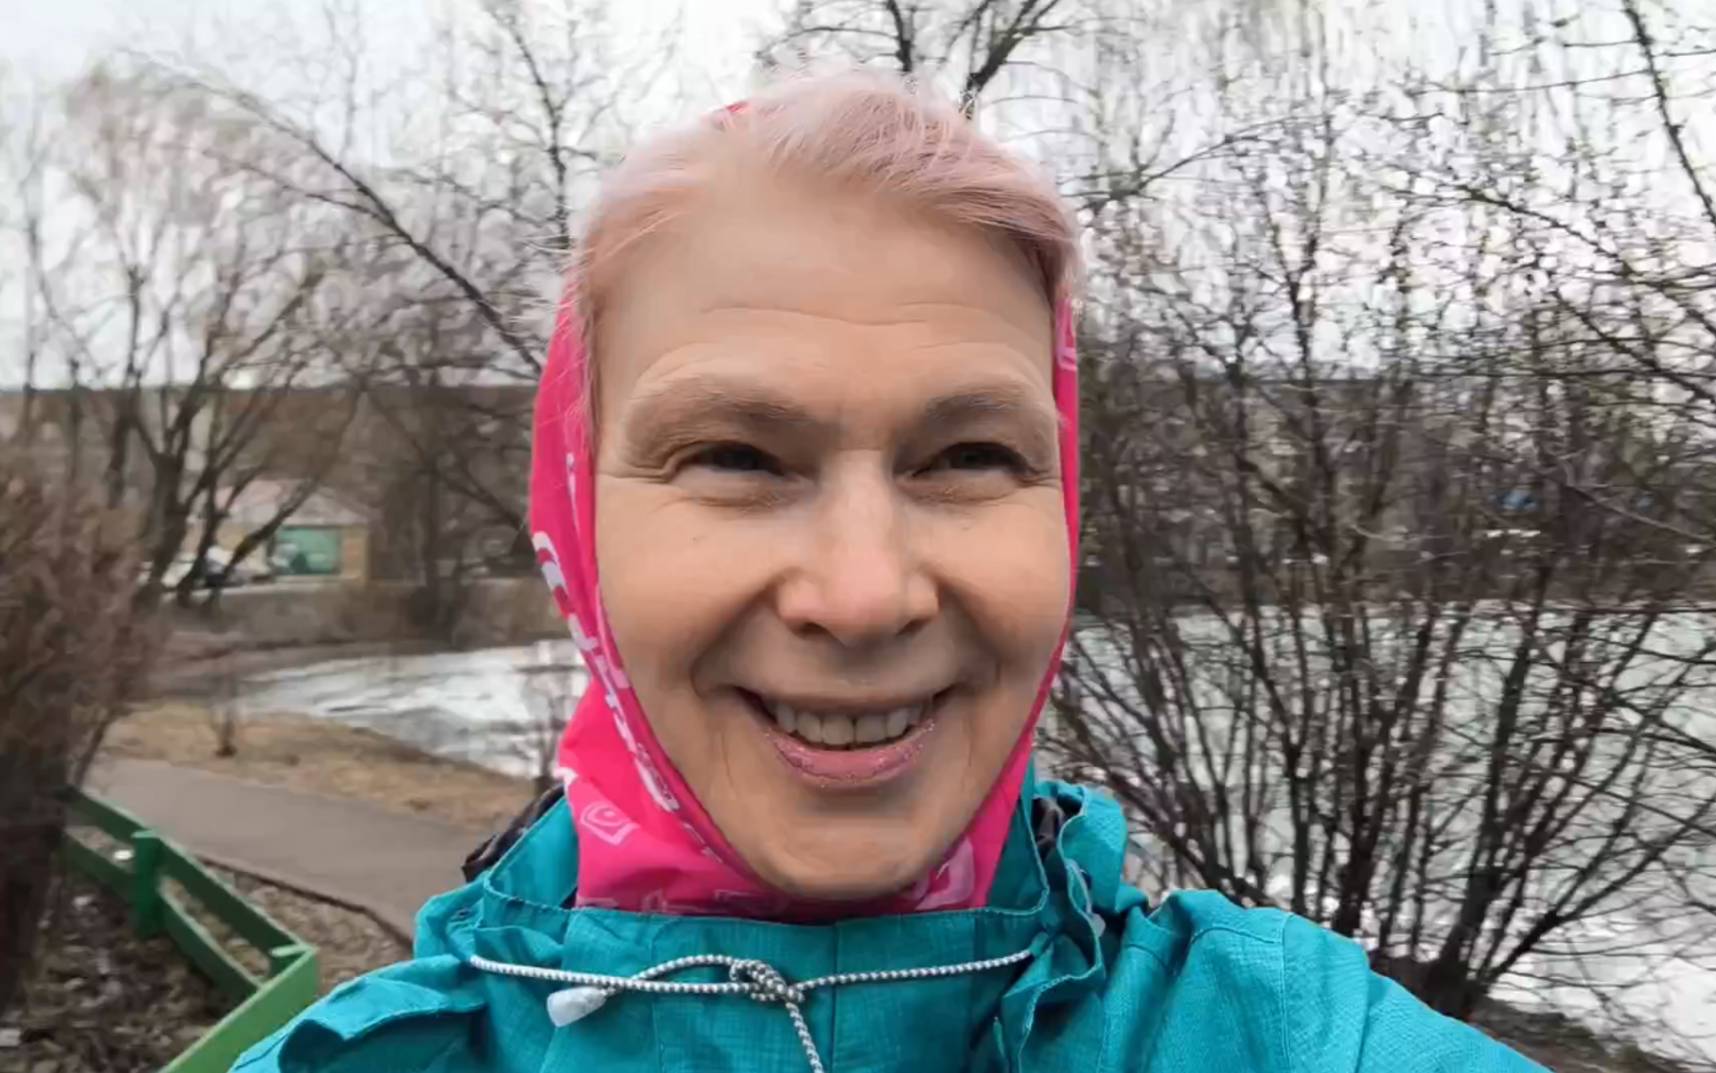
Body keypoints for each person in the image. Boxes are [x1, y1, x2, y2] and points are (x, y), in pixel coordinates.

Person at [233, 72, 1549, 1073]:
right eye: (737, 456)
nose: (864, 596)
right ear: (576, 530)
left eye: (968, 456)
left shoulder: (1285, 1039)